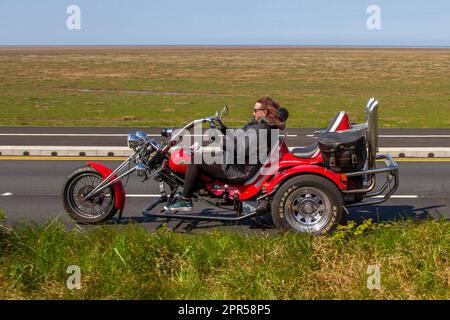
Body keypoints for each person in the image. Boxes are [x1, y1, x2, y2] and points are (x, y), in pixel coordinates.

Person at [164, 96, 287, 212]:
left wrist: (218, 139)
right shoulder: (262, 127)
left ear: (264, 112)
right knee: (204, 156)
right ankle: (191, 190)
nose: (253, 113)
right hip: (240, 165)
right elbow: (240, 139)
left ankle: (185, 200)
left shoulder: (261, 129)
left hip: (240, 170)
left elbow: (240, 150)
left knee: (196, 159)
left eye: (255, 110)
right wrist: (223, 129)